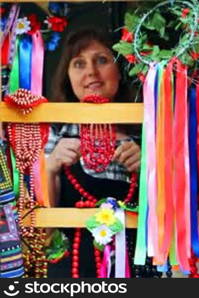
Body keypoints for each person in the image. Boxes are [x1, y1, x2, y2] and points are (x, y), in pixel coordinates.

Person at [45, 28, 141, 278]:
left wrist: (150, 166)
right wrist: (50, 166)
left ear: (119, 71)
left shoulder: (146, 132)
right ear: (67, 77)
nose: (91, 72)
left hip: (136, 268)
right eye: (79, 64)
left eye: (101, 60)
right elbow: (42, 231)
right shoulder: (53, 132)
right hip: (70, 273)